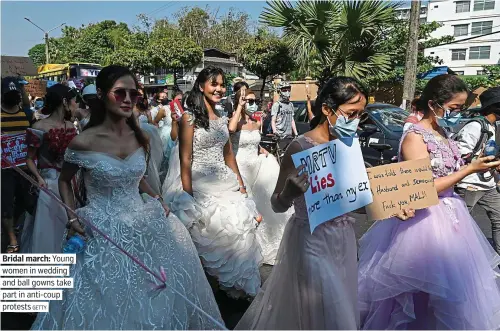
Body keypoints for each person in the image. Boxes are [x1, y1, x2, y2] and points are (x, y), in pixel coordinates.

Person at [31, 65, 223, 330]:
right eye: (119, 93)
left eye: (133, 94)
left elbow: (136, 178)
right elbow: (64, 181)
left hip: (142, 223)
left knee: (159, 291)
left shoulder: (139, 137)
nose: (128, 100)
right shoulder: (83, 141)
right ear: (101, 94)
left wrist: (158, 198)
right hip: (101, 229)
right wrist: (72, 216)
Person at [358, 74, 500, 330]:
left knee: (452, 296)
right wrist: (467, 171)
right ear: (435, 104)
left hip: (452, 217)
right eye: (454, 108)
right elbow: (421, 188)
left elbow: (448, 171)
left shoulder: (443, 131)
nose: (458, 114)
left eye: (461, 108)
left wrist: (478, 166)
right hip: (423, 223)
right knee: (418, 294)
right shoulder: (416, 136)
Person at [236, 77, 369, 330]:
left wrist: (387, 203)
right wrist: (288, 193)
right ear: (328, 110)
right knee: (327, 310)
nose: (355, 122)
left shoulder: (348, 144)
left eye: (360, 116)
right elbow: (277, 204)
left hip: (343, 238)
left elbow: (355, 200)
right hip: (311, 240)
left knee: (340, 303)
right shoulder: (300, 146)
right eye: (351, 114)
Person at [163, 66, 263, 299]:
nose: (219, 89)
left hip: (225, 182)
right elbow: (185, 160)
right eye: (214, 84)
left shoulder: (221, 120)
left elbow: (229, 156)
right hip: (200, 185)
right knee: (204, 239)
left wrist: (241, 186)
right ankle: (207, 293)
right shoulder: (189, 119)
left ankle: (232, 289)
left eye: (221, 84)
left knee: (238, 231)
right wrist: (188, 197)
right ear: (201, 86)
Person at [229, 88, 293, 265]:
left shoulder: (256, 122)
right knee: (248, 206)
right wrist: (239, 108)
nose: (253, 103)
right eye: (249, 100)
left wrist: (262, 150)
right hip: (240, 168)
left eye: (254, 100)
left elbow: (254, 144)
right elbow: (231, 129)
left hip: (256, 166)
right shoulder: (234, 122)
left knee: (264, 198)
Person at [23, 84, 78, 254]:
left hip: (70, 184)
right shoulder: (39, 127)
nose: (76, 104)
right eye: (73, 100)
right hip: (48, 185)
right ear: (64, 101)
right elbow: (29, 159)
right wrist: (38, 178)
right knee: (47, 227)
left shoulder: (71, 126)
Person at [455, 86, 500, 254]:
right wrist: (487, 162)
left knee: (499, 219)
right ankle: (457, 258)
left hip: (488, 183)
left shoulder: (495, 127)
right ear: (495, 107)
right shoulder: (474, 127)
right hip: (469, 184)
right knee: (459, 224)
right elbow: (461, 156)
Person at [0, 77, 33, 253]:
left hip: (25, 168)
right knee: (5, 205)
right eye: (9, 93)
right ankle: (12, 239)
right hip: (4, 170)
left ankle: (14, 226)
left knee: (25, 201)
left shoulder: (27, 114)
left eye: (16, 93)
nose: (13, 96)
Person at [271, 81, 298, 150]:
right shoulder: (277, 105)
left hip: (289, 136)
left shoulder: (290, 105)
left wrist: (296, 133)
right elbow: (273, 120)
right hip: (280, 136)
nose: (287, 92)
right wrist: (275, 132)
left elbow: (292, 120)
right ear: (280, 91)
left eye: (289, 90)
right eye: (284, 90)